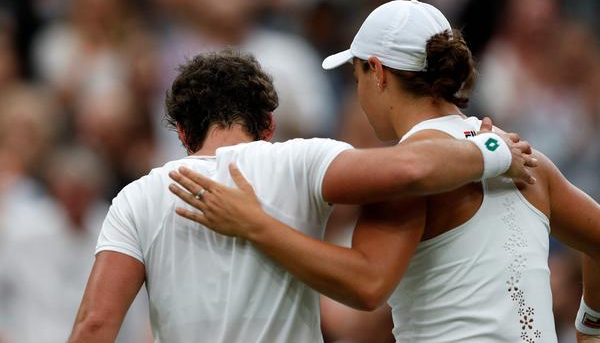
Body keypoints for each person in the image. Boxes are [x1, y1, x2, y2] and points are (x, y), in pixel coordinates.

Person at [170, 0, 600, 342]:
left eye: (356, 77)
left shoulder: (408, 176)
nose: (357, 93)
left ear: (378, 71)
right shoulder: (526, 158)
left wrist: (255, 226)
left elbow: (366, 285)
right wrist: (592, 330)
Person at [68, 50, 535, 342]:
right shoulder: (300, 160)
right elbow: (411, 168)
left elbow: (94, 326)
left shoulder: (137, 197)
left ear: (184, 132)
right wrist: (490, 149)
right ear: (268, 126)